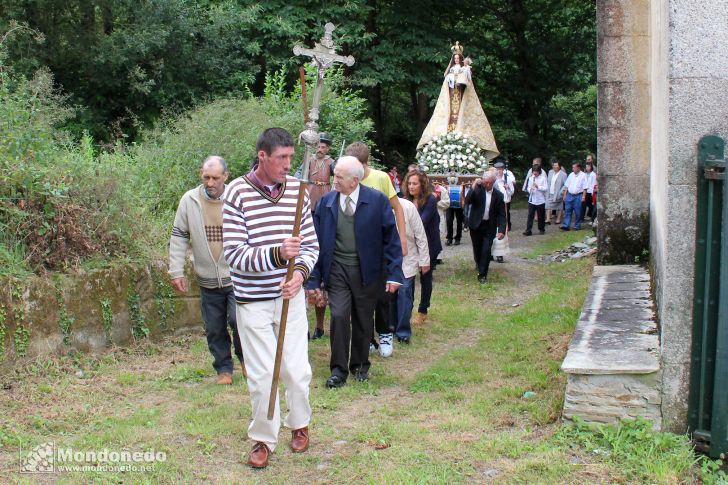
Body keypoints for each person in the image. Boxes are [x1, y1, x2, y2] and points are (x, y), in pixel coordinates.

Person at [222, 128, 320, 469]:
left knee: (296, 369)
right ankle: (263, 438)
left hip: (289, 297)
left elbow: (310, 246)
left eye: (291, 157)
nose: (288, 164)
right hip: (253, 300)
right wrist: (278, 255)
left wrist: (298, 274)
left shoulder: (298, 191)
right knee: (264, 375)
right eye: (281, 158)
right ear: (262, 155)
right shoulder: (236, 193)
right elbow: (234, 255)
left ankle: (300, 424)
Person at [307, 156, 403, 387]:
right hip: (337, 269)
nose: (334, 179)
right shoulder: (327, 202)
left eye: (339, 176)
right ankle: (338, 371)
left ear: (355, 180)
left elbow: (391, 239)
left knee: (363, 318)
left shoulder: (377, 201)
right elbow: (315, 242)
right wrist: (314, 280)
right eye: (334, 175)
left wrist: (394, 273)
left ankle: (360, 365)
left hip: (367, 271)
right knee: (339, 315)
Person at [169, 156, 245, 386]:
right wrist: (176, 271)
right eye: (206, 177)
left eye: (214, 178)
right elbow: (179, 235)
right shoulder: (189, 200)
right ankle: (224, 368)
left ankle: (247, 361)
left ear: (225, 176)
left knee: (239, 320)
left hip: (235, 276)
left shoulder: (238, 197)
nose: (210, 182)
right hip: (207, 277)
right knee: (214, 327)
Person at [344, 142, 407, 358]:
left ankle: (385, 332)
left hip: (379, 248)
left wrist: (401, 239)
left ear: (366, 164)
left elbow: (397, 208)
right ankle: (367, 337)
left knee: (382, 295)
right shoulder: (345, 181)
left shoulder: (380, 178)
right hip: (356, 250)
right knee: (360, 297)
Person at [416, 43, 499, 160]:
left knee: (460, 115)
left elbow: (468, 82)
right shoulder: (451, 70)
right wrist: (451, 77)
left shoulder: (464, 69)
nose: (456, 60)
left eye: (457, 58)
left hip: (460, 95)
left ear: (460, 59)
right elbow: (446, 79)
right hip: (451, 96)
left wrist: (461, 76)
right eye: (454, 58)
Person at [402, 170, 442, 325]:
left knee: (426, 277)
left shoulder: (430, 200)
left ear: (422, 184)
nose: (411, 187)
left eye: (415, 183)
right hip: (411, 245)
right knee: (408, 277)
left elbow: (421, 222)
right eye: (409, 183)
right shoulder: (404, 199)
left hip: (429, 244)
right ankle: (407, 309)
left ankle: (423, 310)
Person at [307, 132, 336, 341]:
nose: (320, 149)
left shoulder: (331, 163)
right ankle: (315, 325)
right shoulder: (309, 161)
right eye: (318, 145)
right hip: (311, 194)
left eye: (324, 146)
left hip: (325, 194)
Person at [391, 197, 429, 344]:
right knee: (390, 295)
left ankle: (403, 331)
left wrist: (424, 260)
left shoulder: (407, 207)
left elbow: (420, 235)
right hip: (388, 258)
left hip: (408, 257)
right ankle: (391, 326)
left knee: (405, 292)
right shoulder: (378, 205)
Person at [465, 171, 506, 284]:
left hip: (489, 226)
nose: (487, 185)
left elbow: (502, 214)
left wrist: (502, 230)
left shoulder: (498, 195)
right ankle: (479, 264)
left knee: (486, 250)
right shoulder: (477, 190)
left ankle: (483, 275)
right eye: (485, 182)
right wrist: (473, 187)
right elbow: (467, 201)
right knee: (477, 249)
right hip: (476, 224)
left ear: (493, 182)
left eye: (489, 183)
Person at [561, 162, 589, 231]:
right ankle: (566, 225)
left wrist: (583, 197)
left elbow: (585, 187)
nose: (572, 169)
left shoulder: (583, 175)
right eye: (572, 167)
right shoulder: (571, 175)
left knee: (578, 212)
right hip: (569, 195)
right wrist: (565, 195)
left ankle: (577, 225)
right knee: (567, 210)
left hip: (578, 195)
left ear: (578, 168)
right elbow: (566, 186)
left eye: (574, 167)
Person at [523, 165, 548, 236]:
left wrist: (538, 187)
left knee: (541, 216)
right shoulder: (531, 178)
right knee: (530, 215)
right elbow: (527, 187)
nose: (535, 173)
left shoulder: (543, 178)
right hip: (532, 199)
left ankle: (541, 229)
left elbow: (545, 188)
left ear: (539, 171)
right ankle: (528, 230)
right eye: (534, 171)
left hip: (540, 200)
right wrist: (530, 189)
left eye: (536, 171)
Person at [493, 159, 515, 231]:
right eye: (497, 169)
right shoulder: (494, 178)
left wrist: (507, 188)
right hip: (496, 199)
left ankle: (507, 226)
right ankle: (497, 227)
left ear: (503, 170)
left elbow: (512, 192)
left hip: (506, 199)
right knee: (496, 213)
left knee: (506, 213)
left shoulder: (508, 179)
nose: (498, 171)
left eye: (500, 169)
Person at [445, 175, 465, 246]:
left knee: (459, 221)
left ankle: (458, 238)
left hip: (459, 202)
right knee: (449, 220)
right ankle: (449, 238)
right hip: (449, 203)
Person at [545, 159, 567, 225]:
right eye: (553, 165)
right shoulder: (550, 172)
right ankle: (548, 219)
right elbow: (548, 181)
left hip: (558, 193)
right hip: (550, 192)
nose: (554, 166)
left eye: (556, 165)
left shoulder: (563, 174)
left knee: (560, 206)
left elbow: (565, 184)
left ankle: (558, 219)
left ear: (559, 166)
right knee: (547, 205)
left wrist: (561, 192)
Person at [581, 160, 597, 225]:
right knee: (583, 205)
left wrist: (592, 192)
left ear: (591, 167)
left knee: (591, 206)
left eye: (588, 166)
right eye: (586, 167)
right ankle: (581, 218)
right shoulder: (584, 174)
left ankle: (592, 218)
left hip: (590, 192)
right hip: (585, 191)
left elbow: (593, 183)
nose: (587, 168)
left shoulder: (593, 174)